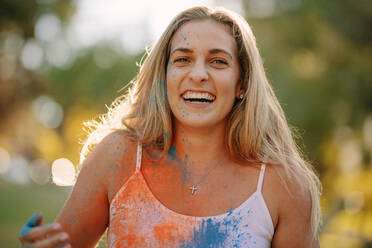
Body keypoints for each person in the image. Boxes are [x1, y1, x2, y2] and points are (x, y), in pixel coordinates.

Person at [19, 6, 322, 248]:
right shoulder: (117, 157)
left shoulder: (284, 186)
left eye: (218, 62)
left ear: (242, 83)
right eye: (182, 60)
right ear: (163, 77)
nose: (199, 74)